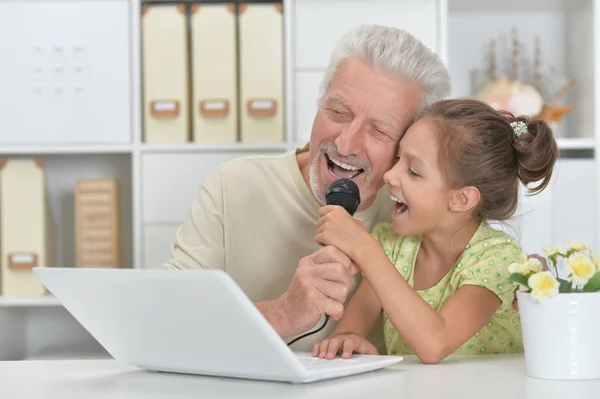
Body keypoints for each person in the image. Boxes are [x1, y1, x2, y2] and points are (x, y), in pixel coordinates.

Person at [162, 24, 451, 352]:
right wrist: (280, 314)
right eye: (337, 112)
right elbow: (165, 326)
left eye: (379, 131)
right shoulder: (231, 187)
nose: (345, 144)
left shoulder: (421, 214)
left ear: (409, 145)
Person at [311, 99, 559, 363]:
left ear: (461, 199)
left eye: (413, 171)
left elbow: (435, 343)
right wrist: (347, 337)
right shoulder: (392, 245)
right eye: (397, 158)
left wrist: (363, 248)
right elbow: (351, 326)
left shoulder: (498, 259)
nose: (389, 176)